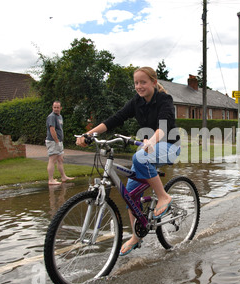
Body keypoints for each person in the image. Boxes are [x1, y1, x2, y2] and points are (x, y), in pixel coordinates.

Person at [76, 66, 180, 255]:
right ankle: (136, 237)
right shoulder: (136, 102)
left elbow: (163, 126)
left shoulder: (165, 100)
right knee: (130, 196)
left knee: (139, 156)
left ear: (154, 83)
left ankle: (163, 196)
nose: (139, 86)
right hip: (148, 147)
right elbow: (115, 119)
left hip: (169, 147)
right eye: (136, 83)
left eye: (143, 82)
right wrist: (89, 133)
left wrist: (151, 141)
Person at [46, 101, 74, 185]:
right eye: (54, 107)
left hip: (59, 142)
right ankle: (51, 180)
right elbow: (52, 129)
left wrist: (60, 141)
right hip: (53, 141)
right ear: (52, 107)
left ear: (61, 108)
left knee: (60, 159)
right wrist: (57, 141)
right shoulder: (52, 117)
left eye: (58, 107)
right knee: (52, 160)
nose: (56, 109)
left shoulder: (59, 116)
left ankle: (63, 176)